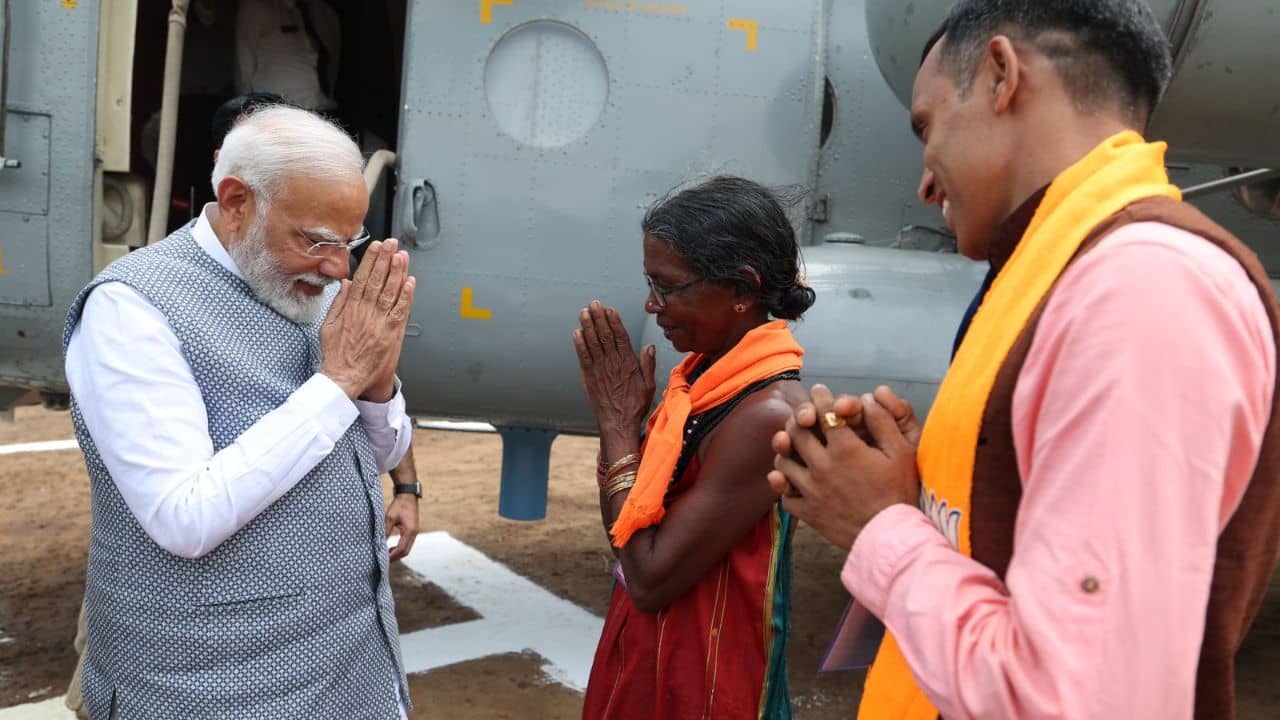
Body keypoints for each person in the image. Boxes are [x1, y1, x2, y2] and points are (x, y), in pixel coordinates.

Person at [769, 2, 1280, 718]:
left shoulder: (1141, 289)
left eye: (928, 127)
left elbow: (1074, 699)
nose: (924, 181)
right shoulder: (1064, 268)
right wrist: (926, 485)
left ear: (1001, 75)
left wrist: (878, 527)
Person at [63, 105, 417, 718]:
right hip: (209, 693)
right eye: (316, 241)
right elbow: (185, 516)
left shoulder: (312, 285)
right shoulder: (132, 308)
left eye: (350, 242)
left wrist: (377, 389)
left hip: (351, 673)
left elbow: (376, 456)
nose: (338, 267)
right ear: (235, 203)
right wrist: (338, 384)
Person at [573, 176, 816, 719]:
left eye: (669, 286)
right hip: (659, 658)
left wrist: (618, 430)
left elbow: (648, 576)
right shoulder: (700, 383)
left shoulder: (765, 415)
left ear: (743, 290)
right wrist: (629, 432)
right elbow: (628, 542)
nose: (653, 305)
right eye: (650, 283)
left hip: (703, 681)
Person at [235, 0, 340, 112]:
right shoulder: (256, 6)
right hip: (275, 113)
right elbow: (243, 68)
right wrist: (246, 114)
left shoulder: (326, 13)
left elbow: (332, 64)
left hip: (323, 110)